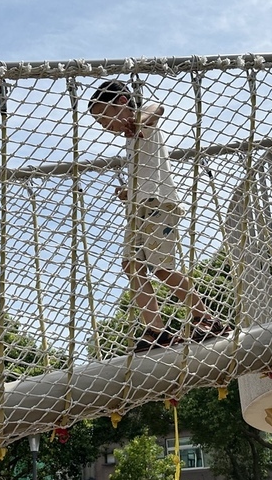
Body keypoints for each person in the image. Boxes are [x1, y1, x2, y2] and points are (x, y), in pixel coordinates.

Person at [88, 79, 226, 352]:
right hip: (140, 207)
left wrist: (140, 120)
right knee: (132, 266)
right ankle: (156, 330)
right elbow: (147, 171)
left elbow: (157, 107)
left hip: (158, 205)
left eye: (105, 119)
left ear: (121, 103)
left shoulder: (142, 123)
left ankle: (206, 318)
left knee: (162, 268)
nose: (106, 127)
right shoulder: (130, 138)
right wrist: (129, 192)